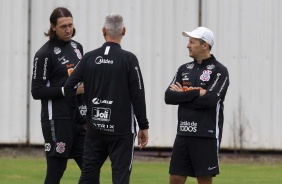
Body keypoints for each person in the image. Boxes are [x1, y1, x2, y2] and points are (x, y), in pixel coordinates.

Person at [64, 14, 149, 184]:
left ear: (103, 31)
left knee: (88, 175)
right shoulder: (128, 59)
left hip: (95, 127)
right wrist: (143, 125)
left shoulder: (89, 57)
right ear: (124, 31)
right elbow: (137, 94)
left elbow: (68, 87)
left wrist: (79, 118)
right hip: (122, 130)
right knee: (120, 177)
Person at [165, 27, 230, 184]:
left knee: (204, 180)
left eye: (192, 42)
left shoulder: (220, 71)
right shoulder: (184, 69)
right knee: (175, 178)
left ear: (205, 45)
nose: (188, 45)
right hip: (183, 132)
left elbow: (210, 100)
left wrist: (183, 95)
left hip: (205, 134)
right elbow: (169, 97)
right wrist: (196, 93)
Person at [31, 7, 86, 184]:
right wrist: (67, 90)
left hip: (78, 118)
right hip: (57, 119)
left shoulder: (78, 48)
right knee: (56, 170)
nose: (68, 29)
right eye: (63, 26)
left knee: (90, 166)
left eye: (70, 25)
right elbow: (36, 91)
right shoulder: (44, 54)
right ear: (53, 27)